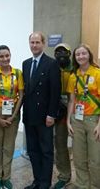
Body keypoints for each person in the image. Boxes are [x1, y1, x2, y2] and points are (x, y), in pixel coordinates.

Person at [22, 32, 61, 189]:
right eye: (32, 42)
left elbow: (55, 92)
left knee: (46, 151)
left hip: (45, 117)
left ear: (43, 44)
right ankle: (37, 180)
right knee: (32, 150)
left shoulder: (51, 63)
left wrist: (51, 114)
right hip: (30, 116)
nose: (34, 45)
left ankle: (45, 183)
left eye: (37, 42)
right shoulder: (25, 64)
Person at [0, 45, 24, 189]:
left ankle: (6, 177)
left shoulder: (18, 73)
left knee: (9, 147)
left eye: (7, 55)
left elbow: (21, 96)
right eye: (1, 56)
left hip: (13, 113)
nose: (5, 59)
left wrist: (13, 116)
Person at [66, 44, 100, 189]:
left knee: (95, 158)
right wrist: (68, 121)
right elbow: (72, 100)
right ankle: (82, 183)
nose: (80, 56)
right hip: (77, 119)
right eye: (78, 54)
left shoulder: (97, 74)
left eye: (83, 53)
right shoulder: (74, 76)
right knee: (79, 157)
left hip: (94, 119)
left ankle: (95, 185)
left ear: (89, 55)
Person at [52, 43, 72, 189]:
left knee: (83, 147)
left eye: (64, 52)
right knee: (60, 145)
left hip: (79, 112)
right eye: (58, 52)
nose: (61, 55)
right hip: (60, 113)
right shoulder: (52, 68)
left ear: (70, 53)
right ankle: (64, 175)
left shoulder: (77, 70)